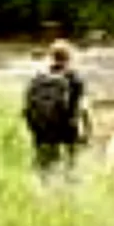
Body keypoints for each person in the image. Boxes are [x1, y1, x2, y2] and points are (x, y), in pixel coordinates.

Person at [22, 39, 93, 178]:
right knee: (71, 168)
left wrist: (33, 128)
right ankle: (68, 190)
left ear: (51, 56)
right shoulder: (75, 78)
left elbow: (27, 107)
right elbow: (83, 108)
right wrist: (88, 133)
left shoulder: (38, 78)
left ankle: (42, 191)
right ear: (69, 57)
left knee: (44, 169)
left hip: (42, 131)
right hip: (67, 131)